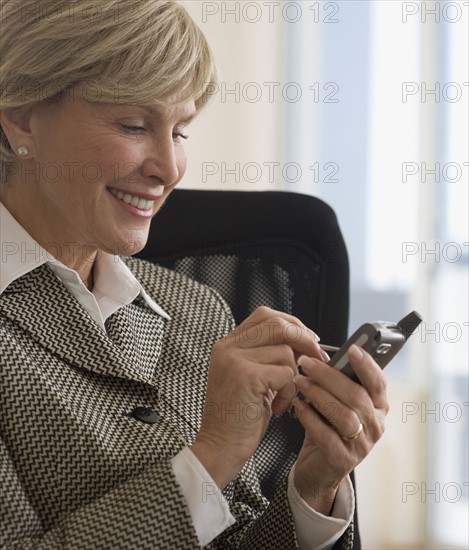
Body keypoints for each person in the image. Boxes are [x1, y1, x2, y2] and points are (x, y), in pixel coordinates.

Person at [0, 1, 389, 548]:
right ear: (20, 118)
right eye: (134, 125)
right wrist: (211, 458)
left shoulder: (196, 307)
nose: (169, 167)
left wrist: (313, 491)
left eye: (181, 132)